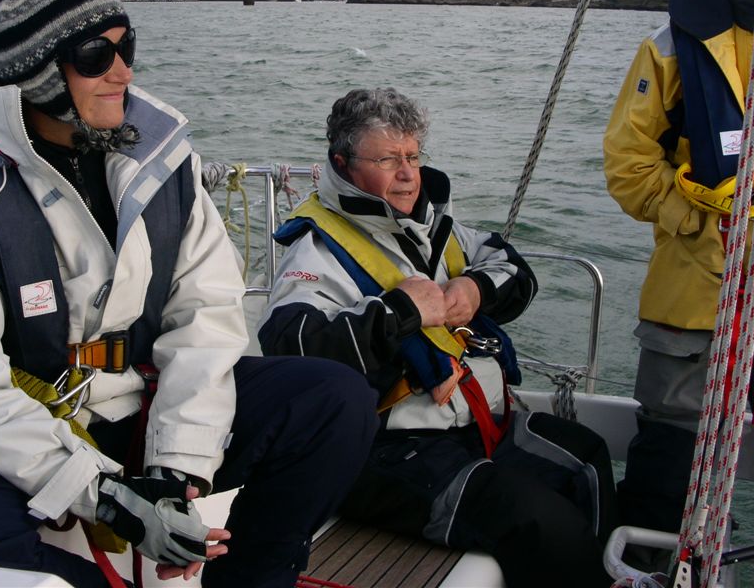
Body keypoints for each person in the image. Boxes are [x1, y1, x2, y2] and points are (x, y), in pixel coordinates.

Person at [0, 0, 379, 588]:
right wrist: (108, 498)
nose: (124, 72)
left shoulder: (165, 168)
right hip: (28, 425)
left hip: (142, 400)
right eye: (96, 56)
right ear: (38, 73)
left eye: (127, 48)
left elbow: (205, 319)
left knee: (334, 401)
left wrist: (176, 471)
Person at [258, 87, 618, 588]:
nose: (408, 173)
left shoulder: (438, 228)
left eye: (412, 156)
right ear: (343, 164)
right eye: (388, 159)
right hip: (389, 451)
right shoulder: (316, 249)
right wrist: (400, 311)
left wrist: (474, 289)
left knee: (589, 461)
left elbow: (511, 267)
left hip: (475, 426)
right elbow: (290, 345)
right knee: (543, 524)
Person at [603, 0, 754, 554]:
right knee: (669, 470)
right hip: (698, 292)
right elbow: (629, 168)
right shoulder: (672, 46)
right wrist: (708, 217)